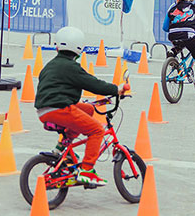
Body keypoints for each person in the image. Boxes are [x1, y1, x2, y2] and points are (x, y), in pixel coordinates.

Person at [34, 26, 130, 187]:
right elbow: (93, 84)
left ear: (58, 46)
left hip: (44, 110)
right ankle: (87, 171)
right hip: (59, 109)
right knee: (97, 130)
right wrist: (116, 89)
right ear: (79, 48)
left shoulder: (51, 65)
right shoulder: (72, 67)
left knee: (88, 110)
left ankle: (63, 146)